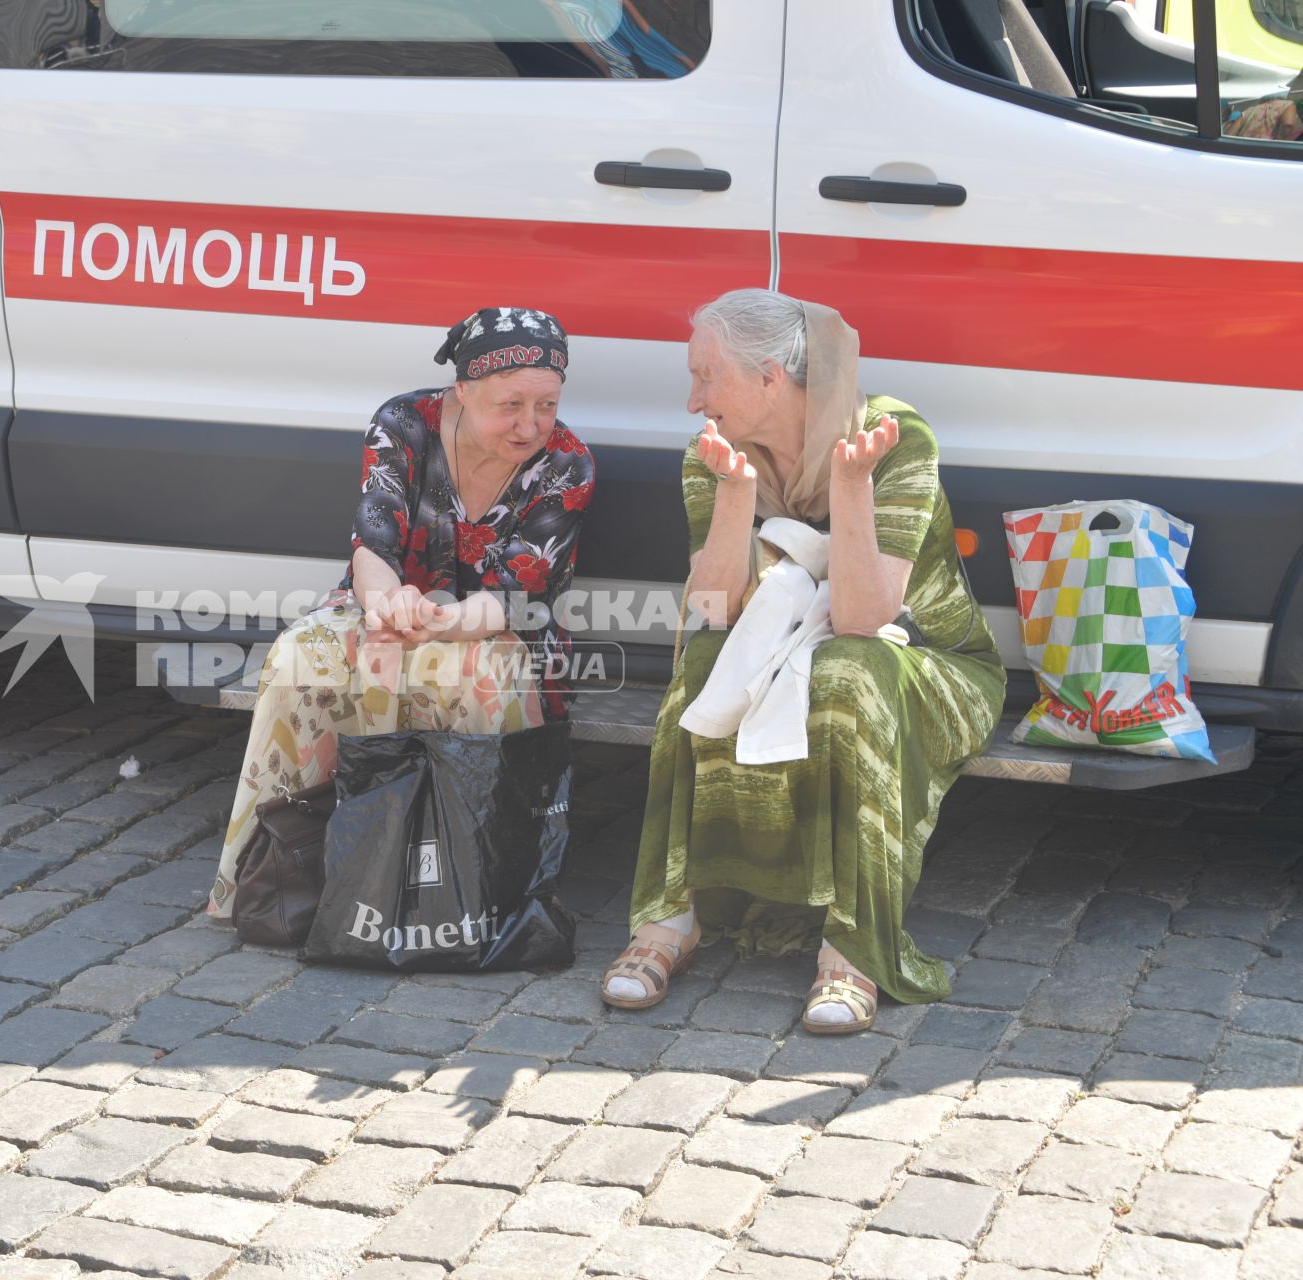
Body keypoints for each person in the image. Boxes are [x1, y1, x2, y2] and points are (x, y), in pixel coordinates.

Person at [604, 289, 1004, 1033]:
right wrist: (734, 495)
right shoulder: (713, 452)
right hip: (787, 650)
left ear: (768, 379)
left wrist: (851, 486)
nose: (693, 400)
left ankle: (852, 950)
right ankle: (669, 919)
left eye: (706, 376)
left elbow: (863, 620)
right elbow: (717, 611)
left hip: (932, 665)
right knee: (703, 663)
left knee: (849, 672)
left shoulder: (890, 435)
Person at [210, 307, 595, 920]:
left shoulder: (567, 464)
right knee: (303, 656)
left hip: (498, 621)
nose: (530, 425)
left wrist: (441, 621)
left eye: (546, 405)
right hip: (387, 602)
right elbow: (373, 545)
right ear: (463, 391)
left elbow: (520, 595)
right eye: (511, 405)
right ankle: (281, 879)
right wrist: (390, 604)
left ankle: (474, 897)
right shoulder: (403, 423)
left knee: (474, 674)